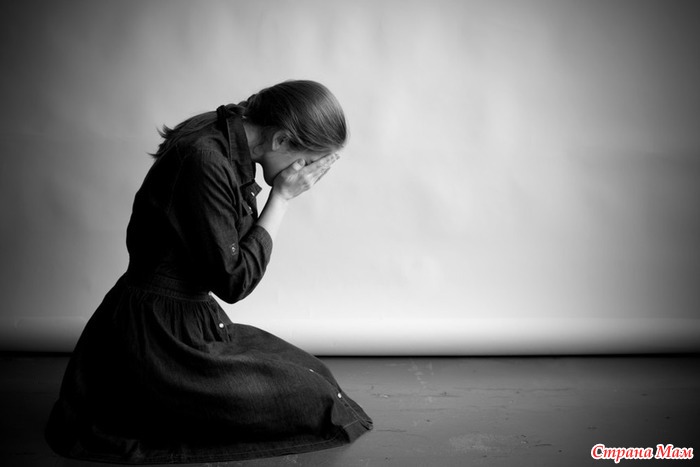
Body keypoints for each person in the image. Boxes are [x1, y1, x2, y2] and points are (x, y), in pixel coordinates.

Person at [45, 80, 373, 464]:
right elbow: (234, 282)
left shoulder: (224, 136)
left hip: (188, 321)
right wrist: (282, 198)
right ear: (281, 140)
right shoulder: (206, 159)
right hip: (158, 339)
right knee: (312, 400)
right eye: (307, 162)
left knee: (318, 378)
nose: (306, 175)